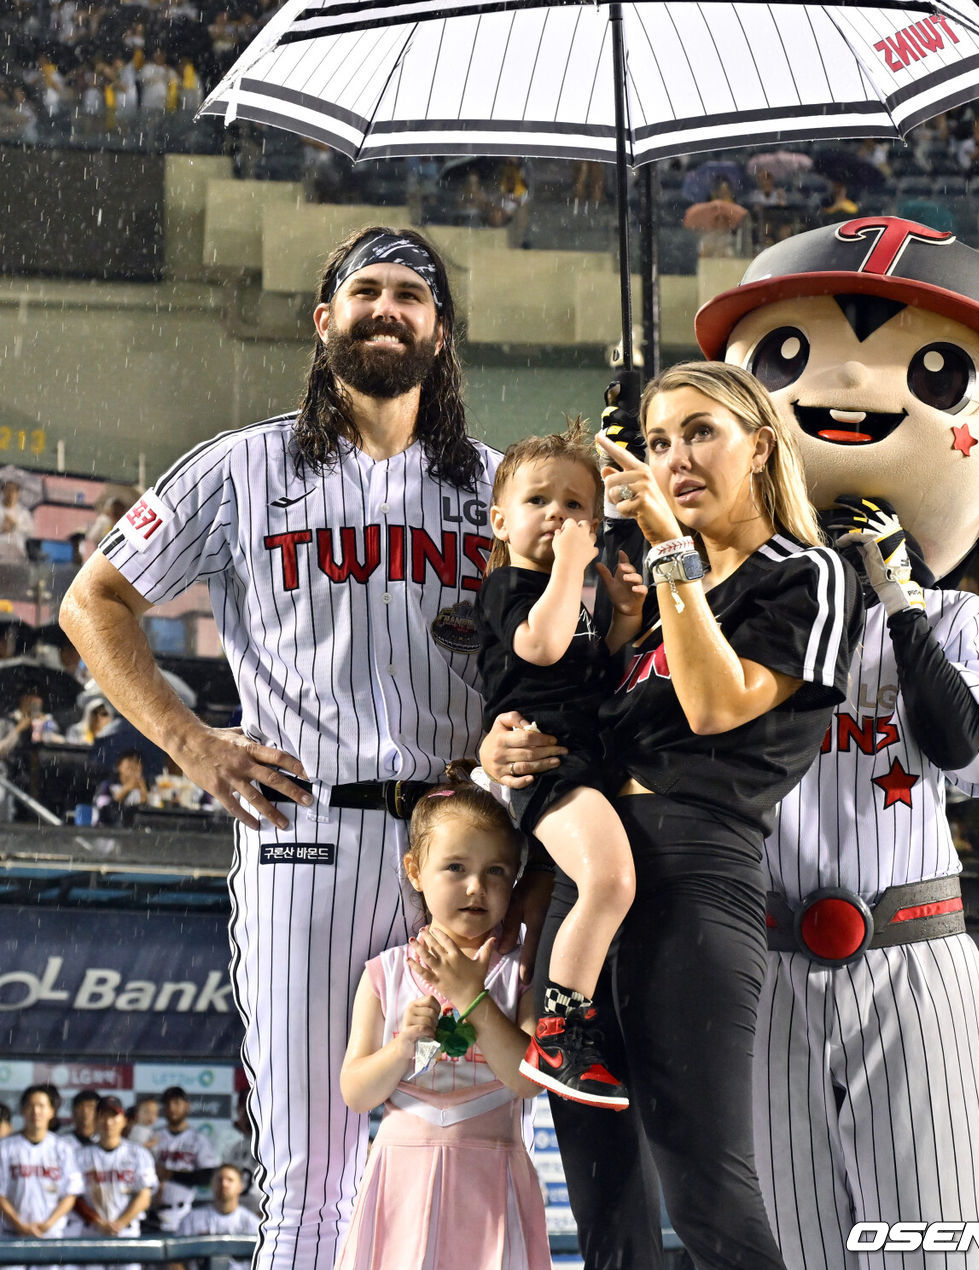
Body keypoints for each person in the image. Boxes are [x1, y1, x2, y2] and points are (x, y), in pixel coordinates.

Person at [59, 225, 554, 1270]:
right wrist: (190, 744)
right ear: (324, 318)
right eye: (364, 290)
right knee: (310, 1179)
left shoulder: (500, 488)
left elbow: (563, 648)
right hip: (306, 832)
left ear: (441, 330)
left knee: (487, 1135)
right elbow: (92, 599)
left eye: (410, 295)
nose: (387, 307)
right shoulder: (240, 467)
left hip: (467, 849)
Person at [695, 216, 979, 1270]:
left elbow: (955, 747)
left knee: (935, 1247)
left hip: (909, 953)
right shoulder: (729, 615)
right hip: (764, 961)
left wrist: (898, 597)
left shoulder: (971, 625)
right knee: (790, 1248)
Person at [509, 361, 862, 1270]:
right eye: (659, 442)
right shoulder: (648, 601)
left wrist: (670, 555)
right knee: (606, 1212)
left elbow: (714, 706)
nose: (676, 458)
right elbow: (569, 719)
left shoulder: (807, 573)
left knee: (705, 1194)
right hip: (584, 883)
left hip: (693, 876)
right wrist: (498, 753)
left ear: (761, 445)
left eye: (701, 432)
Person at [477, 422, 645, 1107]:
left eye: (577, 506)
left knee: (603, 886)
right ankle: (559, 1032)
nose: (558, 515)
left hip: (583, 758)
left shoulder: (571, 595)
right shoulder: (510, 586)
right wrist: (574, 566)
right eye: (539, 501)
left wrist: (625, 619)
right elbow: (540, 649)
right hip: (549, 768)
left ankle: (567, 1021)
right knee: (609, 880)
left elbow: (590, 668)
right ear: (501, 520)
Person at [337, 780, 550, 1270]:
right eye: (455, 867)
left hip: (492, 1176)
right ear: (414, 869)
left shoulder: (523, 969)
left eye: (496, 871)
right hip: (400, 1180)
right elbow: (356, 1092)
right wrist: (403, 1045)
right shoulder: (383, 973)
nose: (476, 887)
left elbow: (525, 1078)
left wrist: (468, 995)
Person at [0, 1085, 83, 1269]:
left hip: (50, 1235)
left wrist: (48, 1224)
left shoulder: (62, 1148)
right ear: (22, 1110)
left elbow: (70, 1194)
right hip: (12, 1235)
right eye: (30, 1105)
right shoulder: (5, 1147)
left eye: (41, 1105)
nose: (36, 1111)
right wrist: (19, 1224)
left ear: (52, 1111)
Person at [75, 1095, 157, 1269]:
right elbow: (74, 1197)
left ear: (124, 1120)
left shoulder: (138, 1154)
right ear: (96, 1121)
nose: (108, 1122)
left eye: (113, 1116)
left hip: (126, 1232)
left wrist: (119, 1223)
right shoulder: (81, 1156)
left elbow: (144, 1196)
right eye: (103, 1116)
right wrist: (98, 1222)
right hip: (93, 1233)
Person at [149, 1087, 217, 1233]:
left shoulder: (198, 1140)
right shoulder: (154, 1137)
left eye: (177, 1103)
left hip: (184, 1213)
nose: (172, 1108)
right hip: (152, 1214)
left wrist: (171, 1174)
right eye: (167, 1104)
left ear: (187, 1106)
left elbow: (208, 1177)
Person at [176, 1164, 259, 1270]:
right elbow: (175, 1260)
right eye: (219, 1179)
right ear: (212, 1185)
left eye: (230, 1180)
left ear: (240, 1187)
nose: (224, 1184)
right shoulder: (191, 1219)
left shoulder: (253, 1223)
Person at [93, 749, 148, 825]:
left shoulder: (146, 787)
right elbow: (103, 812)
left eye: (137, 761)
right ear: (119, 766)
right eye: (129, 760)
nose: (133, 764)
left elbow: (145, 813)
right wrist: (125, 790)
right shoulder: (107, 785)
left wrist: (144, 792)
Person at [0, 480, 34, 563]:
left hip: (19, 553)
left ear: (18, 493)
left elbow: (31, 533)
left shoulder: (24, 512)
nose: (10, 493)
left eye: (13, 490)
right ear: (3, 491)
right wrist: (2, 530)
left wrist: (16, 525)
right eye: (8, 489)